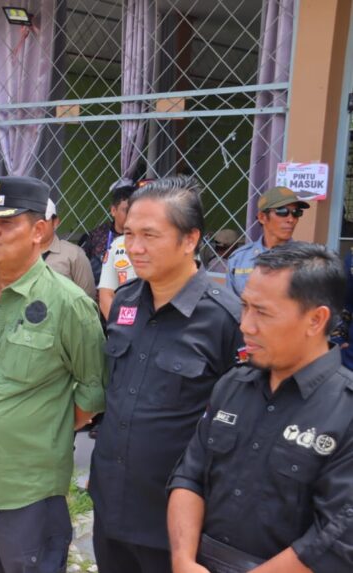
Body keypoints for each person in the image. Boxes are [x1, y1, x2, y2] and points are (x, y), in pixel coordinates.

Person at [0, 176, 107, 572]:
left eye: (5, 224)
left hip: (27, 489)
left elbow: (91, 393)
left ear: (39, 230)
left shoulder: (69, 303)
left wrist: (36, 428)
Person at [88, 176, 243, 573]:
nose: (134, 248)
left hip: (175, 520)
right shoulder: (125, 301)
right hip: (112, 506)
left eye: (149, 236)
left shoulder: (226, 319)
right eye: (128, 235)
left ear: (190, 239)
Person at [169, 242, 353, 573]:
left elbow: (335, 538)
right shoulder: (232, 385)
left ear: (315, 320)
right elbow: (189, 475)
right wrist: (182, 559)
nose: (246, 325)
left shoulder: (346, 411)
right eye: (245, 307)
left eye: (263, 312)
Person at [226, 186, 309, 296]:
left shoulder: (306, 260)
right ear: (262, 217)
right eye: (282, 211)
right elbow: (230, 305)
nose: (291, 219)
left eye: (296, 213)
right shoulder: (239, 259)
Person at [82, 178, 136, 284]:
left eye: (134, 210)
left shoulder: (142, 238)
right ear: (113, 210)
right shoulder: (97, 236)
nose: (131, 215)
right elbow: (83, 270)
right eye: (126, 210)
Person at [41, 198, 96, 298]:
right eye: (32, 221)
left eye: (43, 221)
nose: (37, 226)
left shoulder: (74, 254)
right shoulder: (17, 252)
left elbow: (88, 300)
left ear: (55, 222)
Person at [97, 234, 136, 321]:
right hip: (125, 324)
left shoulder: (168, 242)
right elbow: (106, 297)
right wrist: (122, 328)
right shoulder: (117, 244)